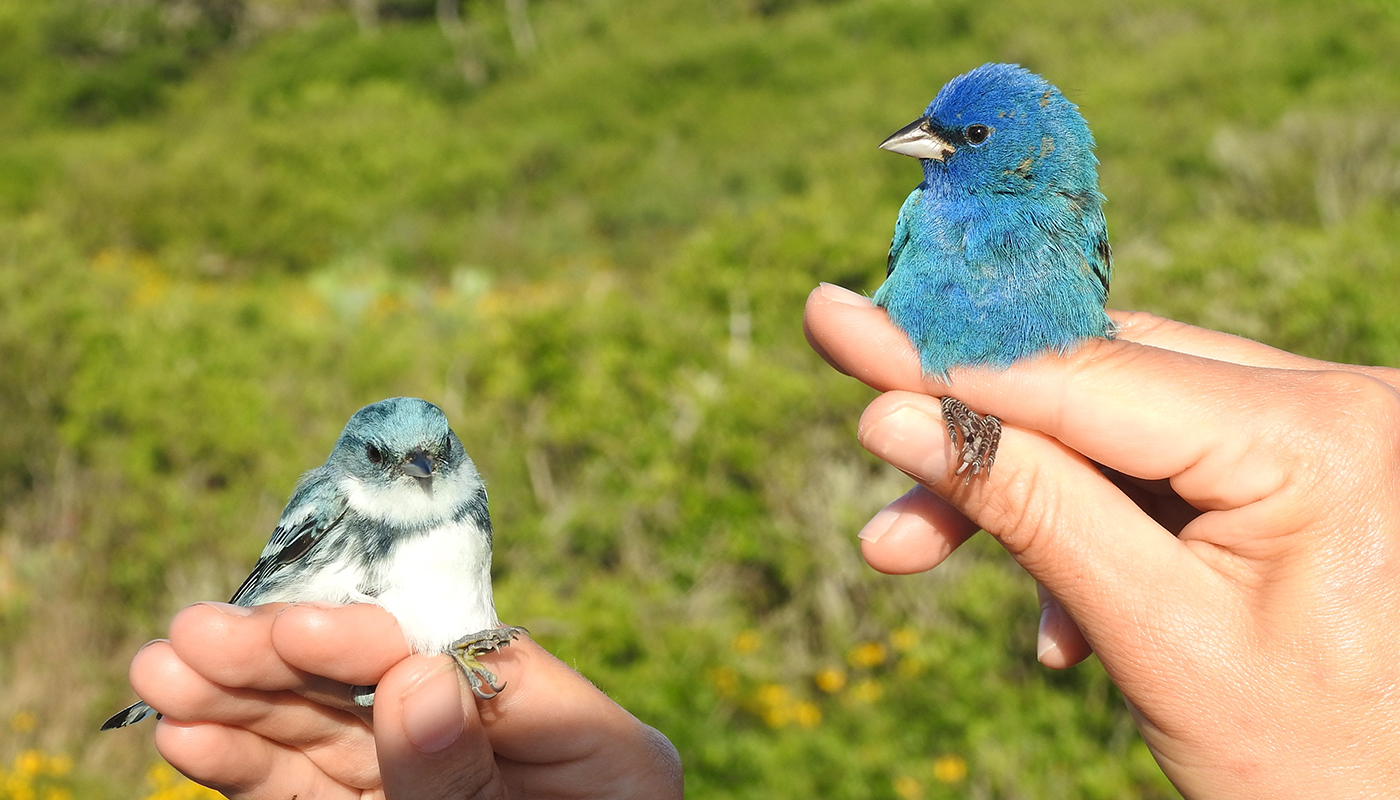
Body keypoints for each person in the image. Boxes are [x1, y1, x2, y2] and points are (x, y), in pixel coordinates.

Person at [125, 283, 1400, 798]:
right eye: (387, 464)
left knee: (433, 679)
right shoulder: (327, 505)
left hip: (437, 678)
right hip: (325, 641)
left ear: (451, 455)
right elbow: (272, 589)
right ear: (351, 466)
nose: (414, 478)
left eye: (432, 458)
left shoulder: (462, 496)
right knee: (303, 658)